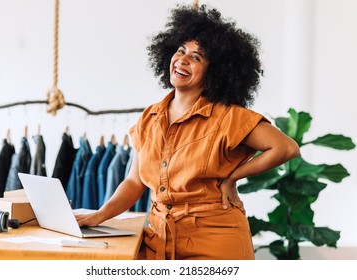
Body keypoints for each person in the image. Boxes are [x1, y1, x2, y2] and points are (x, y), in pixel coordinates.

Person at [76, 4, 300, 260]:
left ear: (215, 72)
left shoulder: (228, 116)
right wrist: (97, 216)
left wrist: (233, 177)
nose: (182, 60)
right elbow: (134, 182)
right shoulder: (150, 116)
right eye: (181, 51)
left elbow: (285, 148)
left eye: (197, 57)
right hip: (159, 237)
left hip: (215, 241)